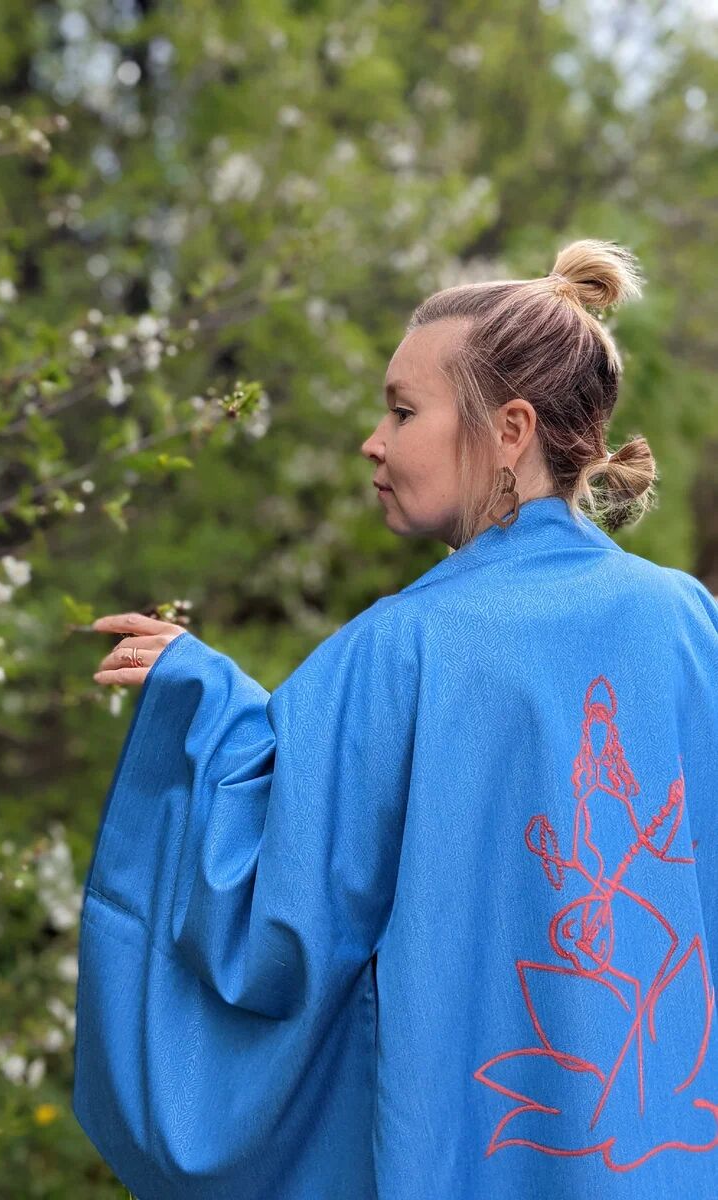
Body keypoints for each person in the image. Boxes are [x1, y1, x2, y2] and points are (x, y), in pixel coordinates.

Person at [73, 238, 718, 1199]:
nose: (373, 441)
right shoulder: (690, 623)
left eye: (404, 411)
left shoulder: (403, 648)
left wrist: (200, 704)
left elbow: (275, 928)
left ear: (510, 429)